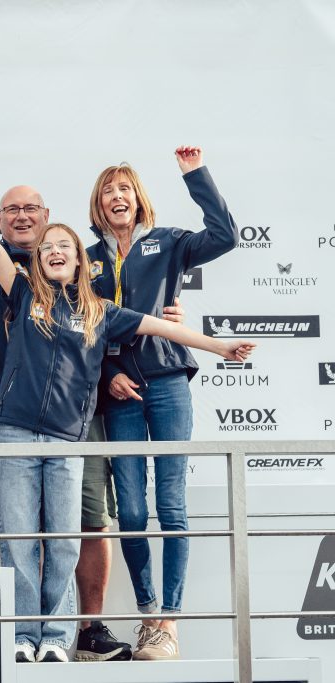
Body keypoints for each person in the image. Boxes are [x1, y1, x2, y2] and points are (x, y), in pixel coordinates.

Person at [0, 131, 254, 663]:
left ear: (80, 263)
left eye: (66, 247)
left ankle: (61, 638)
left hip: (68, 438)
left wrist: (218, 343)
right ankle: (22, 636)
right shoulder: (20, 293)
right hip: (17, 430)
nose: (58, 253)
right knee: (19, 538)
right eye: (49, 249)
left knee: (66, 539)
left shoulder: (101, 312)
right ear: (37, 261)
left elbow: (164, 326)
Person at [86, 148, 239, 659]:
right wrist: (108, 375)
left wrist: (194, 173)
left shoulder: (169, 242)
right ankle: (148, 613)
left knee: (170, 506)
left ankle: (168, 623)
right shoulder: (86, 259)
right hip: (120, 392)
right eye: (108, 190)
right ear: (98, 204)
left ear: (137, 198)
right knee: (130, 511)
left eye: (124, 188)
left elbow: (225, 236)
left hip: (170, 380)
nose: (116, 196)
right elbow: (84, 331)